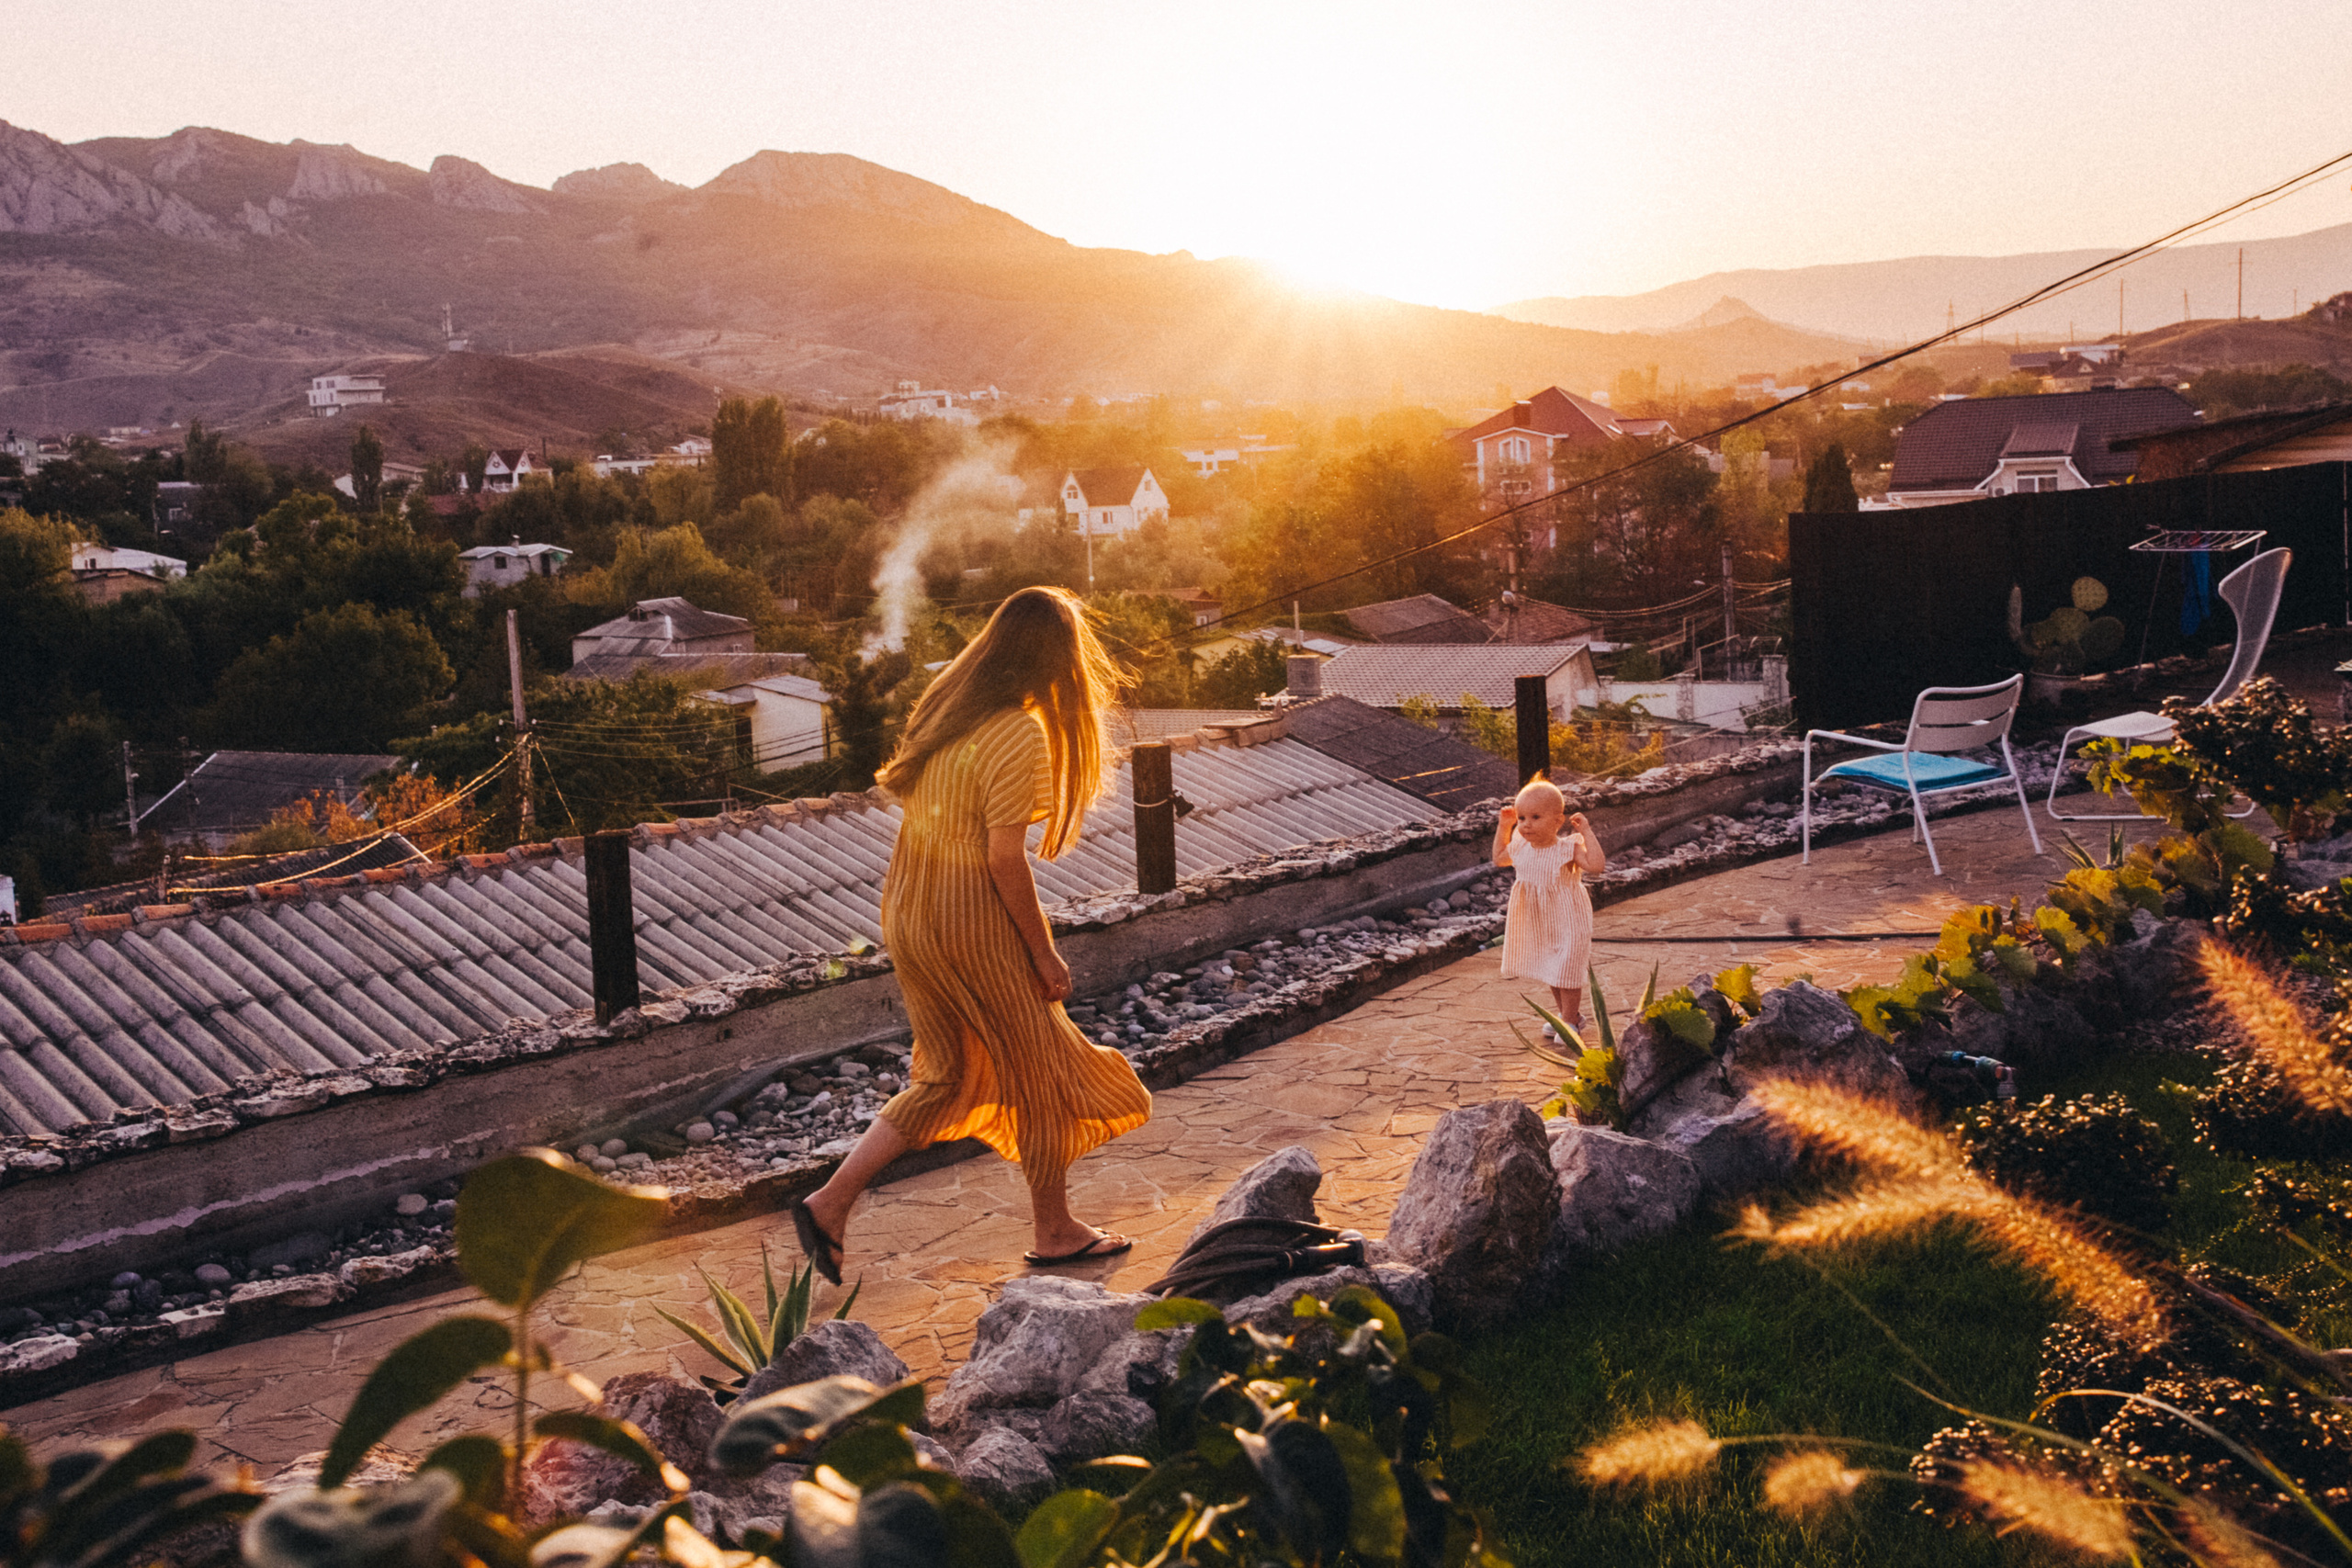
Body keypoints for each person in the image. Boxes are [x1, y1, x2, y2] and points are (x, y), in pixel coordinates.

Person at [791, 586, 1153, 1283]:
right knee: (1040, 1067)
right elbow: (1002, 857)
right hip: (966, 918)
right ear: (1055, 658)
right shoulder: (1016, 730)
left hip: (910, 910)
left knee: (948, 1073)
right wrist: (1043, 950)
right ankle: (1054, 1230)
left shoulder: (950, 711)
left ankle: (828, 1202)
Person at [1492, 777, 1604, 1032]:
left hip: (1569, 919)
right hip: (1540, 920)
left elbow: (1597, 866)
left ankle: (1568, 1021)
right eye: (1521, 818)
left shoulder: (1567, 849)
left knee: (1568, 968)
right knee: (1552, 969)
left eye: (1535, 817)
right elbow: (1499, 859)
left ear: (1557, 821)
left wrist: (1586, 831)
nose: (1526, 825)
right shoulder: (1520, 846)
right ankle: (1568, 1016)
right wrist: (1504, 826)